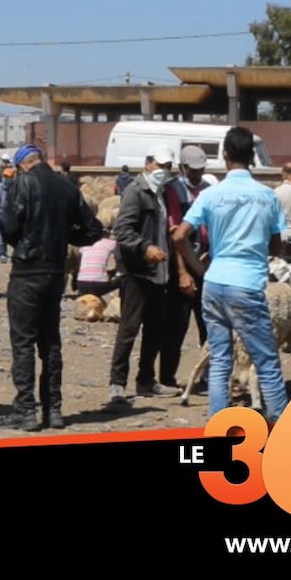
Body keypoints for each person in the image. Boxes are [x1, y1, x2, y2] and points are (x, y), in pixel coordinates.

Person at [172, 127, 289, 423]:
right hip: (247, 284)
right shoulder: (267, 196)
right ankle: (281, 427)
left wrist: (199, 269)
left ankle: (217, 423)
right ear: (252, 156)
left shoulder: (211, 194)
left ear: (224, 156)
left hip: (214, 284)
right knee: (266, 360)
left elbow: (179, 236)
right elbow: (276, 243)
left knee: (221, 359)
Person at [0, 144, 104, 431]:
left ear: (22, 165)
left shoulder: (23, 183)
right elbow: (94, 230)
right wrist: (63, 237)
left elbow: (8, 226)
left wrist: (23, 241)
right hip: (55, 271)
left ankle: (26, 411)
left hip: (27, 272)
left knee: (23, 342)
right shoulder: (67, 188)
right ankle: (54, 410)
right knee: (50, 342)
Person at [106, 145, 181, 406]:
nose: (164, 171)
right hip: (137, 272)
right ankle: (117, 384)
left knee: (155, 329)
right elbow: (122, 230)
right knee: (129, 328)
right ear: (148, 163)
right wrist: (145, 247)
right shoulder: (136, 192)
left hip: (158, 273)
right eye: (160, 166)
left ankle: (146, 380)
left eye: (168, 167)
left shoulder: (161, 193)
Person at [164, 144, 213, 361]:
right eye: (193, 170)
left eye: (200, 169)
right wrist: (183, 272)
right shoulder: (173, 190)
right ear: (182, 167)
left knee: (209, 323)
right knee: (177, 324)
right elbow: (175, 233)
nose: (197, 173)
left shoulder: (207, 190)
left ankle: (211, 371)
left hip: (205, 263)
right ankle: (168, 376)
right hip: (183, 263)